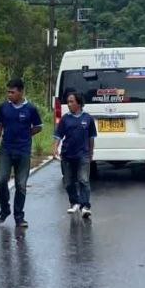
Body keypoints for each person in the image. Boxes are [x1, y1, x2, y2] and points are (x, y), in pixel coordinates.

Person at [0, 78, 43, 228]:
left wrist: (26, 134)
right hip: (6, 149)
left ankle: (19, 216)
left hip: (23, 151)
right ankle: (4, 209)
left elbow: (38, 127)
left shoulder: (30, 109)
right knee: (1, 180)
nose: (9, 95)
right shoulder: (4, 108)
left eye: (12, 92)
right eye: (8, 92)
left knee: (21, 184)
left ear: (21, 92)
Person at [53, 90, 96, 219]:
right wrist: (55, 148)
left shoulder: (87, 119)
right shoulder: (65, 119)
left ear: (79, 103)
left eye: (71, 101)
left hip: (83, 154)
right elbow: (58, 135)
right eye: (68, 102)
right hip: (67, 155)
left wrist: (91, 152)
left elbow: (91, 137)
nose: (69, 104)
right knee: (68, 182)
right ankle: (74, 202)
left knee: (83, 180)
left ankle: (85, 206)